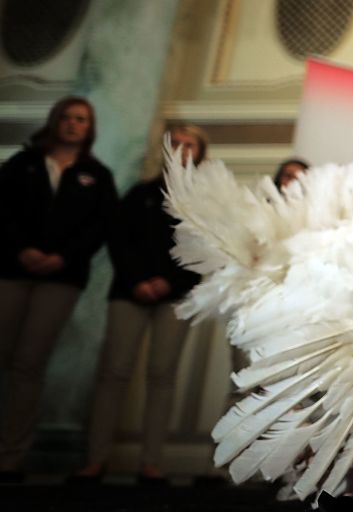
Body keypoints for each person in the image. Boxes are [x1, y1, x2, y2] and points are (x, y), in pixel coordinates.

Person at [70, 125, 210, 486]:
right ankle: (95, 461)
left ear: (200, 153)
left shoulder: (207, 202)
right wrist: (138, 280)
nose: (180, 149)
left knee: (162, 376)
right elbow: (120, 239)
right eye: (174, 142)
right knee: (113, 373)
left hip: (177, 297)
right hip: (129, 292)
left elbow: (206, 254)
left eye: (188, 144)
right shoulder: (140, 193)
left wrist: (168, 281)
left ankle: (151, 463)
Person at [0, 97, 118, 482]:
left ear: (90, 127)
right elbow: (3, 210)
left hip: (62, 278)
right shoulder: (23, 163)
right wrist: (22, 248)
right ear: (54, 122)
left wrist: (62, 256)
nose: (72, 124)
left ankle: (10, 457)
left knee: (28, 365)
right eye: (66, 117)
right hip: (10, 270)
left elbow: (100, 226)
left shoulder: (97, 175)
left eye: (81, 119)